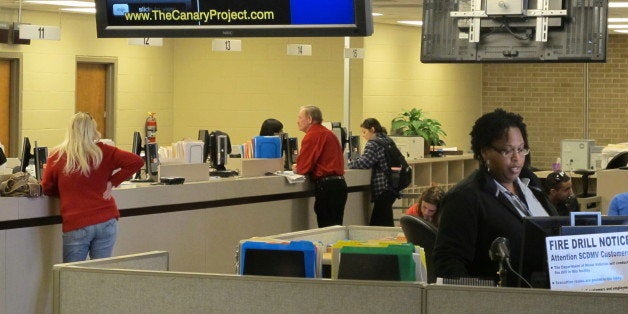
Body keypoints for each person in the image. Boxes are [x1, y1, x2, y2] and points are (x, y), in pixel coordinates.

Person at [433, 108, 557, 287]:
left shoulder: (531, 185)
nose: (517, 158)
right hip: (502, 299)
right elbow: (449, 265)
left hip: (548, 292)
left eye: (521, 149)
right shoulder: (465, 198)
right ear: (484, 152)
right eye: (507, 151)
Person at [41, 112, 144, 263]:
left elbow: (47, 188)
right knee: (100, 273)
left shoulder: (57, 156)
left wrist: (66, 191)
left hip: (76, 222)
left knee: (72, 275)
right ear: (92, 130)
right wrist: (113, 181)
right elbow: (136, 161)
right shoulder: (104, 152)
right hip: (107, 219)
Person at [294, 105, 347, 228]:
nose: (297, 121)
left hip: (326, 187)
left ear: (309, 119)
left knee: (326, 227)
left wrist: (297, 167)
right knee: (336, 227)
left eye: (300, 117)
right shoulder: (329, 134)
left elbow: (303, 167)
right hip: (339, 185)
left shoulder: (312, 135)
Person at [348, 118, 398, 226]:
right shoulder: (387, 140)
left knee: (378, 223)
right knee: (386, 220)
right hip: (393, 185)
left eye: (364, 132)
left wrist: (348, 165)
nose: (363, 135)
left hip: (382, 187)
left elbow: (364, 163)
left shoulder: (373, 143)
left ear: (372, 129)